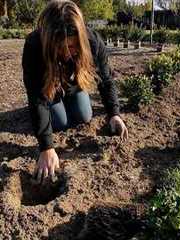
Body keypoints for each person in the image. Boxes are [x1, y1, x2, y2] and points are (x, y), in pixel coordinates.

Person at [22, 0, 128, 184]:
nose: (67, 53)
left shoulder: (92, 41)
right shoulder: (33, 45)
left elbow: (106, 80)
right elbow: (36, 97)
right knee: (60, 122)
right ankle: (54, 106)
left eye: (72, 47)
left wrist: (114, 114)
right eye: (61, 47)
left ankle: (68, 98)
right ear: (49, 41)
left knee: (84, 115)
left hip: (73, 86)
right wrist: (46, 147)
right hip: (49, 89)